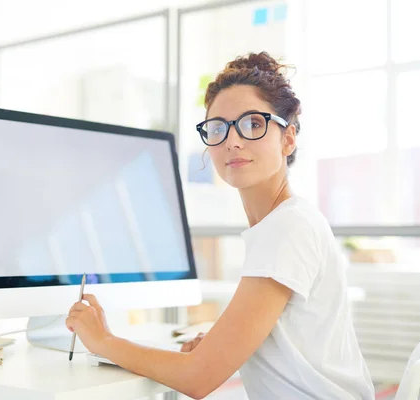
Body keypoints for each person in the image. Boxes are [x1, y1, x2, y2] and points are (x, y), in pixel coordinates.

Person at [65, 51, 375, 400]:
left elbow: (198, 379)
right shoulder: (287, 221)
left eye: (253, 124)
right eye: (218, 128)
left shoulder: (288, 227)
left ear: (287, 139)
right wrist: (223, 345)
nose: (232, 141)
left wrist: (103, 341)